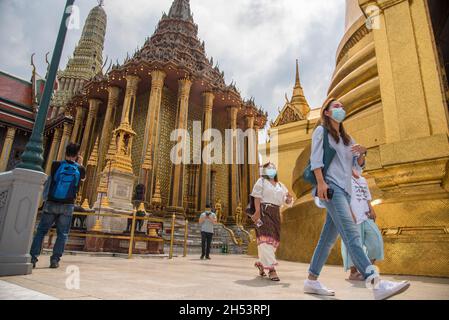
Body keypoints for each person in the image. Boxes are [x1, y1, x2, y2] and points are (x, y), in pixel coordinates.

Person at [304, 98, 410, 300]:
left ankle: (311, 279)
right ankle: (375, 282)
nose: (341, 109)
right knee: (352, 235)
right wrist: (321, 182)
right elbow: (316, 160)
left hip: (346, 190)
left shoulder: (347, 138)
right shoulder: (321, 132)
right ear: (326, 113)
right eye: (336, 107)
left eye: (342, 106)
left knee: (327, 239)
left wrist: (362, 154)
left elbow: (356, 169)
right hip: (330, 188)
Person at [30, 143, 86, 269]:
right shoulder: (80, 169)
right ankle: (55, 260)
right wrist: (80, 163)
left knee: (41, 231)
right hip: (67, 205)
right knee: (63, 234)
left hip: (51, 203)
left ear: (65, 152)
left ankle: (33, 258)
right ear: (77, 155)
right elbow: (82, 180)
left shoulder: (55, 165)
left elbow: (51, 180)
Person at [251, 162, 293, 281]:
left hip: (276, 214)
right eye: (268, 168)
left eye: (273, 168)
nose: (271, 170)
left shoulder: (281, 185)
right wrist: (258, 211)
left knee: (273, 241)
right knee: (265, 240)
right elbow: (257, 197)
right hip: (264, 212)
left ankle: (260, 263)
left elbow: (286, 201)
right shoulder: (261, 182)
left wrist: (289, 199)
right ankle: (271, 269)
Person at [341, 168, 384, 281]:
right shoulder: (344, 178)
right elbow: (344, 198)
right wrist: (350, 214)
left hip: (366, 216)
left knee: (377, 241)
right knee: (354, 246)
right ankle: (353, 273)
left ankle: (367, 270)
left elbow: (367, 197)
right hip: (353, 218)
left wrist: (371, 209)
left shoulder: (363, 179)